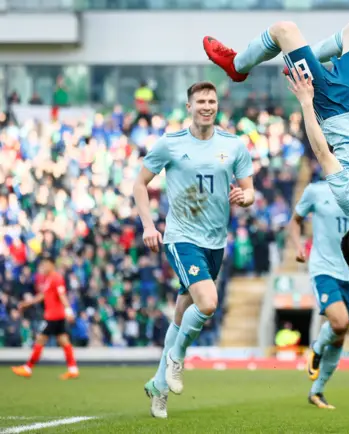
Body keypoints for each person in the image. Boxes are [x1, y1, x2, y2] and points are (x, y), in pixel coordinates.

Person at [203, 19, 349, 277]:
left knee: (283, 31)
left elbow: (323, 154)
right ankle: (301, 59)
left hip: (335, 107)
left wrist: (306, 103)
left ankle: (236, 66)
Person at [133, 81, 254, 419]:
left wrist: (246, 197)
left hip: (216, 241)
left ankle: (159, 386)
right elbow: (139, 183)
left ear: (217, 106)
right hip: (182, 237)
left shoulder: (232, 145)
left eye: (211, 101)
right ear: (189, 106)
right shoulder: (170, 144)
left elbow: (250, 189)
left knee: (181, 312)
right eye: (200, 101)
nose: (207, 106)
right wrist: (148, 225)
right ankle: (176, 359)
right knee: (209, 302)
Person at [289, 180, 349, 409]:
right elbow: (294, 221)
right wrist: (297, 246)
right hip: (324, 269)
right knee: (340, 323)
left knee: (340, 335)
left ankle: (316, 392)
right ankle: (318, 348)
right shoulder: (316, 191)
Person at [11, 253, 78, 380]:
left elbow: (62, 295)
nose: (43, 267)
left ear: (52, 265)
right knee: (63, 340)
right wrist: (27, 303)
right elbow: (43, 296)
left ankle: (28, 368)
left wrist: (69, 310)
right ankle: (73, 369)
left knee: (40, 340)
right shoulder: (49, 279)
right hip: (56, 316)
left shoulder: (56, 278)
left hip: (53, 317)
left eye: (45, 264)